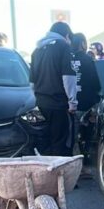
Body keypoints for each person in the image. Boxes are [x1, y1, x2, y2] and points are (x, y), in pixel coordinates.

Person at [29, 22, 78, 157]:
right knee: (60, 143)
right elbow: (68, 77)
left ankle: (44, 174)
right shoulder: (63, 47)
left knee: (45, 143)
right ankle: (57, 175)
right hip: (59, 104)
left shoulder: (37, 50)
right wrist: (72, 102)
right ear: (66, 35)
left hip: (41, 104)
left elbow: (31, 82)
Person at [69, 32, 102, 155]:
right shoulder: (87, 59)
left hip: (70, 105)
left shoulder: (66, 59)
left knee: (72, 137)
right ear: (83, 44)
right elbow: (96, 84)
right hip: (86, 106)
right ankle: (87, 155)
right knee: (88, 134)